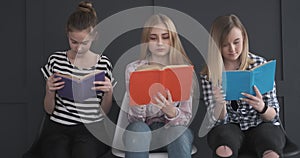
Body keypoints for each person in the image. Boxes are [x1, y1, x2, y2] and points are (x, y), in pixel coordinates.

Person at [200, 14, 286, 158]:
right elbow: (217, 121)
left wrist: (262, 107)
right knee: (224, 145)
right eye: (225, 44)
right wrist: (219, 105)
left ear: (244, 39)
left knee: (270, 147)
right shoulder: (210, 74)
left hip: (260, 125)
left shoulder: (259, 64)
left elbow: (273, 115)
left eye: (236, 42)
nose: (232, 49)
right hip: (228, 128)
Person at [40, 1, 113, 158]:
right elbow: (49, 109)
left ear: (94, 37)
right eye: (74, 42)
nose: (79, 48)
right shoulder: (56, 60)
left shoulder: (103, 63)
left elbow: (104, 112)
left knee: (83, 153)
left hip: (90, 129)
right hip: (59, 127)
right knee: (56, 153)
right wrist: (49, 90)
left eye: (84, 43)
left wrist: (108, 93)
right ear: (67, 35)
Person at [122, 14, 194, 158]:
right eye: (153, 38)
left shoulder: (182, 70)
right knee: (138, 130)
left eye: (165, 37)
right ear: (146, 41)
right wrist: (141, 101)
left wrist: (171, 111)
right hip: (142, 131)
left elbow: (186, 117)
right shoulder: (133, 69)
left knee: (178, 132)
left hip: (171, 133)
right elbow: (134, 120)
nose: (160, 42)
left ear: (172, 39)